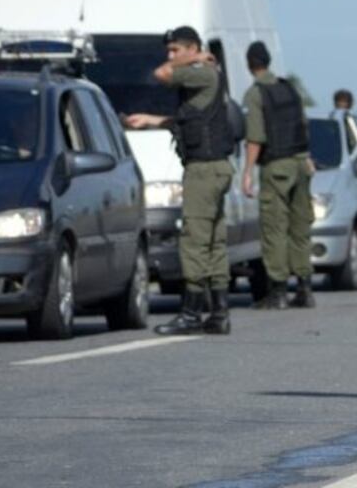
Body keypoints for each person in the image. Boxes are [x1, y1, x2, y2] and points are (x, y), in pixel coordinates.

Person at [126, 26, 235, 336]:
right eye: (169, 51)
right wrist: (151, 120)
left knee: (194, 240)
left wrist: (193, 58)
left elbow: (160, 74)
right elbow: (190, 120)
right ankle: (219, 312)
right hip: (214, 167)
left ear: (192, 49)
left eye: (176, 50)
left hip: (203, 170)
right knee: (213, 242)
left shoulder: (200, 71)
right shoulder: (205, 76)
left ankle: (191, 313)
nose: (170, 56)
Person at [242, 41, 316, 309]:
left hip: (276, 166)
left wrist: (247, 172)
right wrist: (307, 157)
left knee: (274, 228)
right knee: (300, 227)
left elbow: (255, 137)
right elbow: (303, 126)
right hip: (300, 162)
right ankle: (305, 287)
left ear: (250, 64)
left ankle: (278, 290)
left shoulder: (255, 93)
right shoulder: (289, 88)